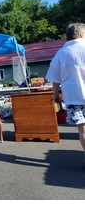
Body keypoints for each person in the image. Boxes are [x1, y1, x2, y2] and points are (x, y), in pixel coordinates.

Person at [45, 22, 85, 161]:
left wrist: (55, 95)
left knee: (82, 130)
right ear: (81, 34)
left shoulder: (61, 53)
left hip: (73, 97)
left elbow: (55, 78)